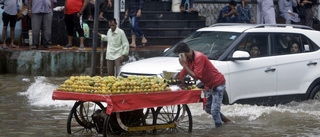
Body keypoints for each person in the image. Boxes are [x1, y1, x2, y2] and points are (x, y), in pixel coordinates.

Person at [174, 42, 234, 127]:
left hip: (217, 83)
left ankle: (219, 132)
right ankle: (228, 122)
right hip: (209, 85)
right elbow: (184, 71)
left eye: (179, 55)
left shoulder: (199, 57)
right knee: (208, 109)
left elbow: (197, 77)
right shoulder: (188, 59)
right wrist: (177, 80)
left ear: (184, 53)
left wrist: (184, 65)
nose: (179, 57)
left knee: (214, 111)